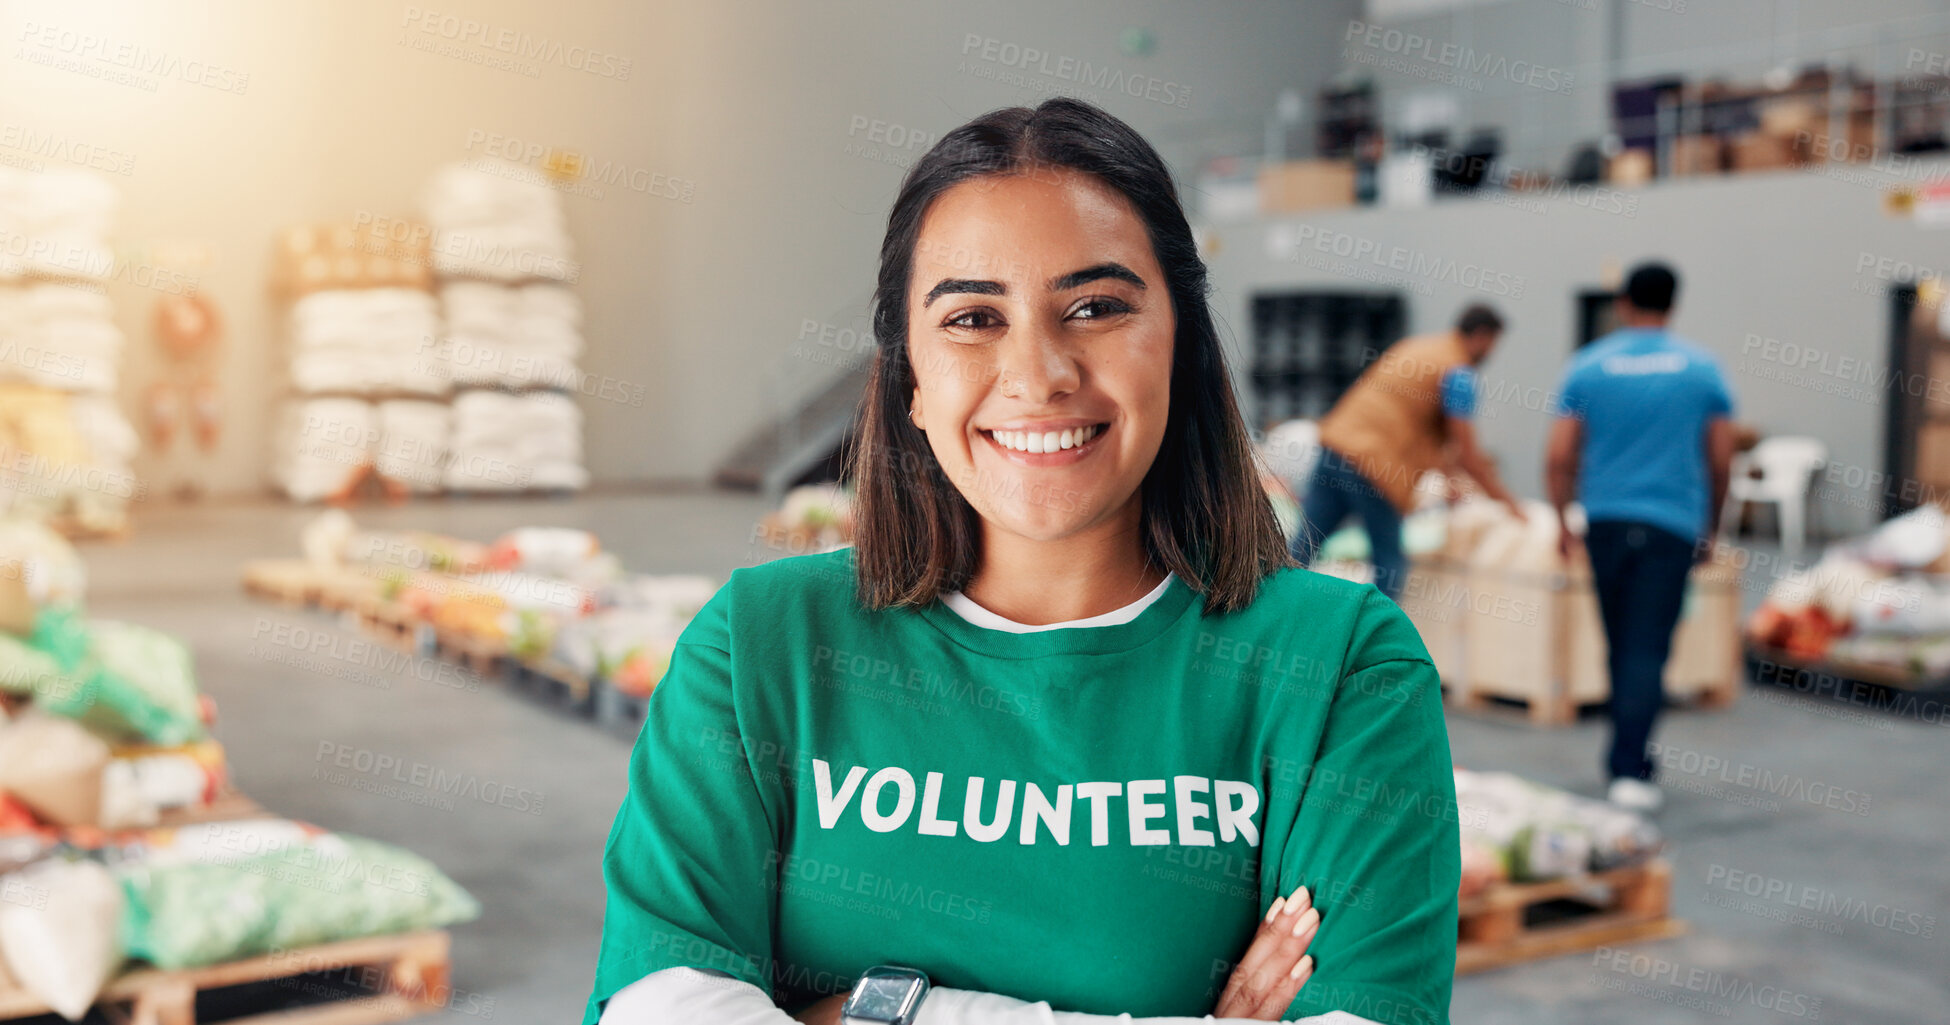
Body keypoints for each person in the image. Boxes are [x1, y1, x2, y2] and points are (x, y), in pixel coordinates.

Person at [586, 98, 1459, 1025]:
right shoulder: (762, 645)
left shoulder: (1341, 672)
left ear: (1183, 346)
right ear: (911, 379)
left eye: (1096, 306)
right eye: (972, 317)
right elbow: (661, 1004)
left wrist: (864, 1015)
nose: (1038, 374)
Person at [1545, 262, 1736, 813]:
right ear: (1673, 305)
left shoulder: (1588, 366)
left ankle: (1626, 759)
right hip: (1671, 526)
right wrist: (1711, 526)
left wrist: (1562, 520)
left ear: (1624, 302)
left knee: (1619, 642)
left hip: (1604, 524)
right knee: (1647, 647)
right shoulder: (1703, 370)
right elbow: (1721, 459)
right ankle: (1631, 765)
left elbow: (1560, 455)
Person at [1290, 305, 1523, 601]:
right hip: (1374, 466)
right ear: (1481, 336)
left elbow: (1426, 431)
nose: (1491, 352)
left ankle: (1271, 616)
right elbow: (1466, 452)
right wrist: (1508, 503)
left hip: (1337, 446)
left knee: (1303, 546)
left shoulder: (1418, 348)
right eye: (1493, 343)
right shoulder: (1458, 372)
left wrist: (1451, 481)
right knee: (1390, 563)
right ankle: (1376, 643)